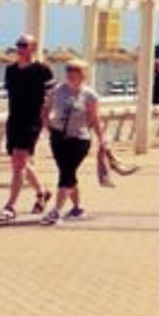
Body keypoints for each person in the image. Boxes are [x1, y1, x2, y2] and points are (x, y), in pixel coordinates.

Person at [41, 56, 104, 225]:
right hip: (58, 137)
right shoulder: (57, 90)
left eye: (75, 70)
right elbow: (45, 108)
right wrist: (47, 125)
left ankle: (56, 211)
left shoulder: (90, 95)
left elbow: (95, 118)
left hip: (79, 139)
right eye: (68, 69)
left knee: (66, 173)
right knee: (67, 172)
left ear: (84, 74)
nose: (70, 73)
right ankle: (77, 208)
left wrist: (102, 139)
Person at [0, 34, 53, 221]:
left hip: (32, 121)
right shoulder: (10, 70)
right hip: (14, 120)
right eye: (18, 45)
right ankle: (42, 193)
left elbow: (50, 97)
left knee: (19, 163)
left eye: (23, 45)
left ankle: (10, 206)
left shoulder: (42, 70)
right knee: (19, 162)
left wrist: (47, 119)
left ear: (33, 48)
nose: (19, 48)